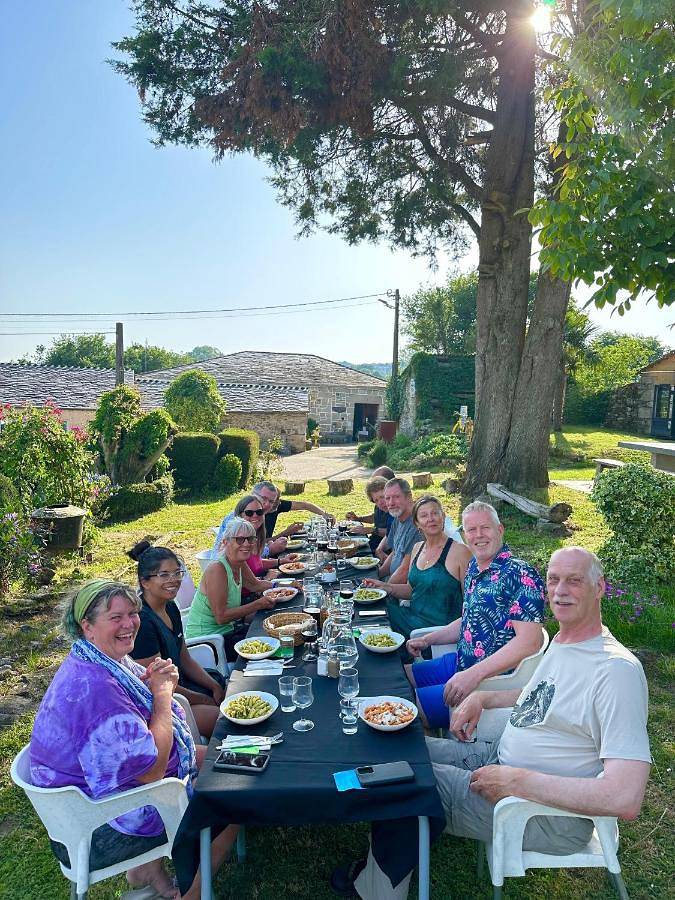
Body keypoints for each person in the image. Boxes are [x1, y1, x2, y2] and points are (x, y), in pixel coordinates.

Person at [332, 548, 651, 899]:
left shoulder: (616, 671)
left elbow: (624, 797)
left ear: (599, 587)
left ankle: (375, 891)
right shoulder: (567, 641)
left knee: (400, 782)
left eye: (574, 581)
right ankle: (384, 861)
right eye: (554, 580)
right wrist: (484, 698)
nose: (560, 591)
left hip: (542, 814)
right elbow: (540, 694)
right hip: (497, 760)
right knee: (393, 746)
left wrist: (518, 781)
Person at [29, 581, 199, 899]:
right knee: (223, 797)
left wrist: (154, 682)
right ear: (87, 626)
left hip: (80, 806)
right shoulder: (95, 686)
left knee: (219, 760)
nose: (129, 624)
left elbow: (135, 702)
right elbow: (151, 772)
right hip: (94, 829)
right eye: (116, 617)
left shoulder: (96, 658)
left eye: (133, 613)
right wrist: (162, 694)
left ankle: (147, 873)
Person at [406, 501, 545, 729]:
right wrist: (428, 640)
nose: (478, 535)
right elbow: (469, 619)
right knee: (399, 677)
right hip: (460, 663)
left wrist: (473, 675)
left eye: (485, 528)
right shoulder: (475, 566)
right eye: (471, 529)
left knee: (406, 709)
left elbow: (530, 642)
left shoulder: (519, 574)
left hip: (488, 680)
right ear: (464, 534)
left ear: (500, 530)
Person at [128, 542, 227, 739]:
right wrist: (204, 699)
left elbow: (185, 659)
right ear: (145, 582)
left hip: (183, 685)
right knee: (226, 721)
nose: (173, 580)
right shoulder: (143, 624)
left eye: (177, 573)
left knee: (229, 691)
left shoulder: (171, 607)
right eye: (164, 575)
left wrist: (213, 687)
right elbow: (156, 685)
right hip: (166, 702)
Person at [361, 495, 472, 640]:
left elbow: (471, 604)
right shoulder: (417, 548)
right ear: (417, 523)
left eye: (435, 513)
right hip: (410, 618)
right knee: (370, 615)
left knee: (376, 624)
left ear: (443, 517)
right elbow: (413, 590)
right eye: (424, 515)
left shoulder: (461, 552)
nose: (430, 519)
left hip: (435, 631)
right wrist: (385, 587)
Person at [188, 516, 280, 658]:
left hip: (227, 632)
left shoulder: (239, 562)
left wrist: (280, 586)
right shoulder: (217, 569)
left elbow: (255, 585)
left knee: (274, 632)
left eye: (251, 539)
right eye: (240, 539)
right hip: (208, 643)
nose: (247, 544)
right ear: (225, 542)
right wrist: (258, 604)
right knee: (272, 644)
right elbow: (221, 616)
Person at [211, 480, 333, 555]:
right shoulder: (240, 517)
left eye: (271, 501)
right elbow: (240, 554)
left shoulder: (261, 515)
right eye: (263, 498)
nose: (267, 504)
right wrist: (274, 547)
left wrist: (278, 561)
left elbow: (255, 552)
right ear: (252, 495)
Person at [375, 478, 423, 582]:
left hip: (403, 589)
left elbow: (404, 571)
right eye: (387, 498)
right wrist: (376, 575)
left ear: (409, 497)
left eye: (396, 497)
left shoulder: (416, 525)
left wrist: (384, 588)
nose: (391, 503)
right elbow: (395, 553)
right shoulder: (397, 519)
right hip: (391, 581)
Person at [345, 475, 393, 554]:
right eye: (376, 500)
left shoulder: (395, 511)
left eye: (382, 497)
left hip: (384, 551)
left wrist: (371, 530)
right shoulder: (380, 507)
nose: (380, 502)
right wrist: (358, 519)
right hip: (372, 544)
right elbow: (375, 517)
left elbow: (394, 532)